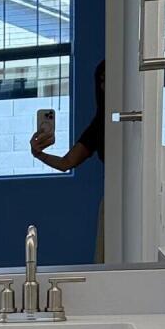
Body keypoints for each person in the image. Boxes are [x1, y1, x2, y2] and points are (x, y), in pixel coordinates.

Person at [30, 60, 106, 261]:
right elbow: (66, 163)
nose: (105, 86)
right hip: (114, 196)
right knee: (107, 257)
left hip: (138, 190)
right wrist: (39, 154)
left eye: (110, 79)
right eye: (101, 81)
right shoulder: (99, 124)